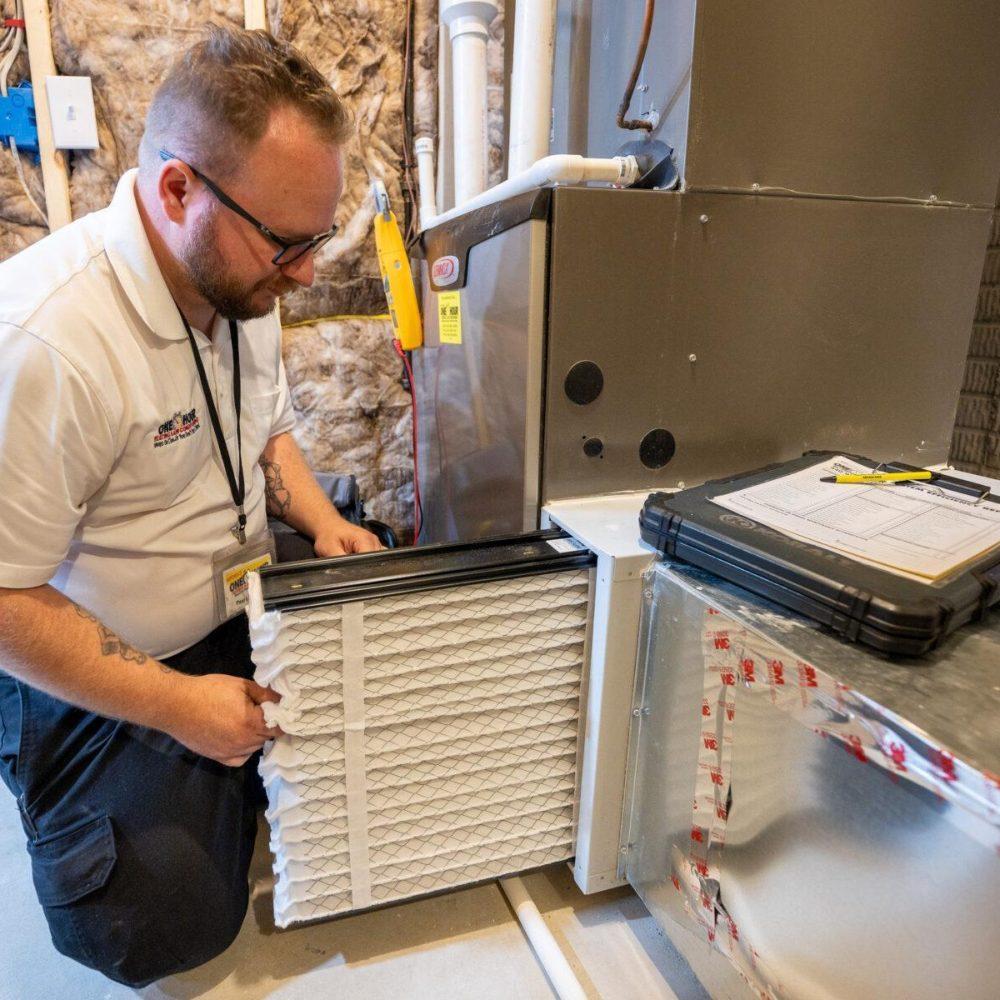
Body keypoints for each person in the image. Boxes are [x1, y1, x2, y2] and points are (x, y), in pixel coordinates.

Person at [0, 26, 381, 986]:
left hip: (232, 600)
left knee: (392, 682)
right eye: (288, 245)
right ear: (178, 191)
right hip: (97, 650)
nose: (302, 272)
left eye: (316, 240)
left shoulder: (240, 278)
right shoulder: (48, 340)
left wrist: (321, 522)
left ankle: (223, 757)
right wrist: (177, 708)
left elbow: (263, 431)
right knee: (158, 917)